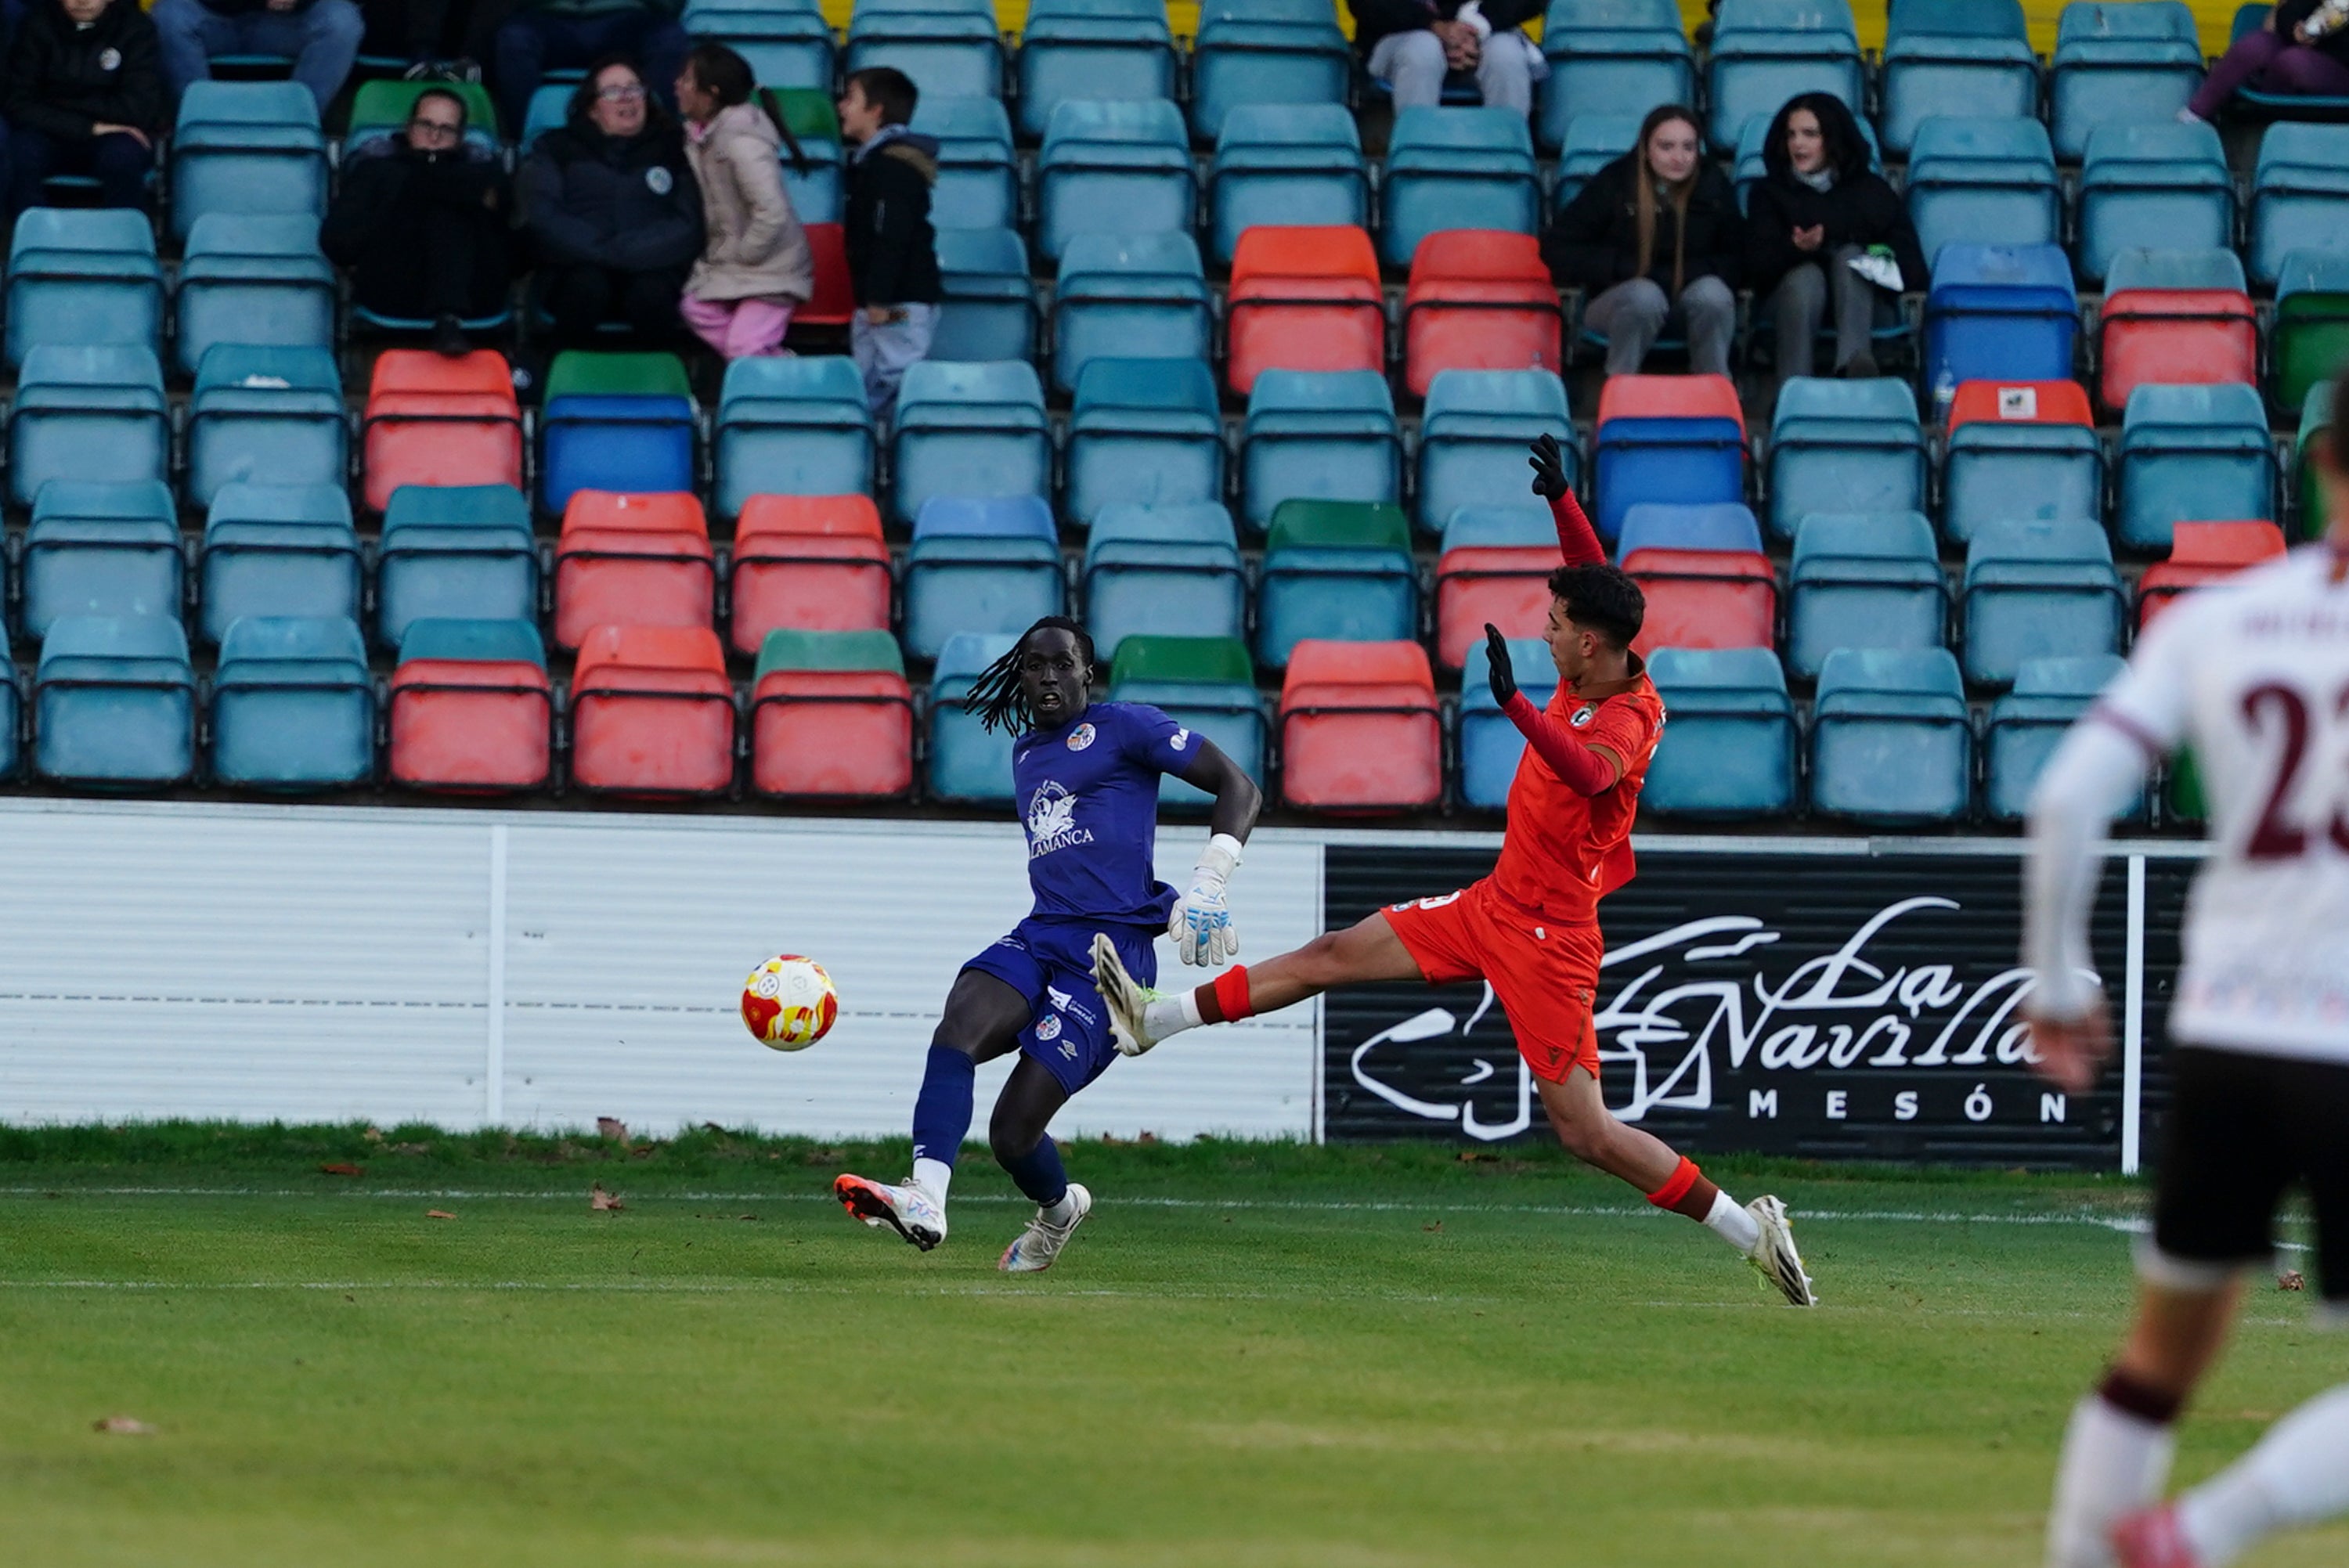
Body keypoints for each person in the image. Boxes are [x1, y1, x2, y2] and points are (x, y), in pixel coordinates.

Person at [1090, 436, 1817, 1310]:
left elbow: (1589, 773)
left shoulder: (1626, 719)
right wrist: (1562, 503)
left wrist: (1513, 705)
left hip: (1549, 938)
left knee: (1586, 1131)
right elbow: (1594, 579)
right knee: (1332, 951)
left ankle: (1752, 1228)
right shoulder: (1603, 647)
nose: (1543, 631)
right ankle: (1153, 1020)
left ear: (1589, 646)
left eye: (1554, 626)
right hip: (1494, 903)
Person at [2026, 364, 2349, 1568]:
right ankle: (2201, 1533)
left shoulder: (2221, 617)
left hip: (2224, 1035)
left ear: (2320, 464)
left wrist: (2058, 979)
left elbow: (2067, 797)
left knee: (2159, 1358)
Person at [833, 615, 1265, 1274]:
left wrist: (1208, 881)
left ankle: (1060, 1211)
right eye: (1035, 665)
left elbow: (1240, 786)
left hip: (1110, 959)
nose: (1047, 676)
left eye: (1062, 663)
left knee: (1012, 1133)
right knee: (958, 1029)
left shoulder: (1129, 726)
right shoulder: (1027, 751)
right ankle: (925, 1194)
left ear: (1087, 672)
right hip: (1041, 932)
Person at [1545, 103, 1741, 378]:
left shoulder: (1714, 186)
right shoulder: (1615, 182)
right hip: (1618, 303)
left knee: (1714, 295)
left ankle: (1715, 392)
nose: (1679, 157)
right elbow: (1559, 248)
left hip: (1687, 305)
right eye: (1666, 146)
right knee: (1644, 296)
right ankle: (1620, 391)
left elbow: (1741, 256)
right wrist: (1621, 268)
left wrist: (1691, 272)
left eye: (1688, 147)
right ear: (1646, 149)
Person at [1745, 92, 1926, 384]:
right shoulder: (1768, 193)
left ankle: (1853, 369)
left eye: (1810, 134)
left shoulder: (1871, 192)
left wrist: (1861, 252)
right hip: (1790, 306)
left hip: (1866, 308)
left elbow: (1913, 268)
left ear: (1832, 138)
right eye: (1791, 135)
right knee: (1805, 277)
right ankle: (1794, 388)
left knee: (1851, 258)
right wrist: (1796, 249)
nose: (1798, 144)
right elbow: (1752, 269)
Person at [518, 55, 700, 347]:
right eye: (613, 91)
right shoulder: (555, 147)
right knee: (587, 286)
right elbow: (544, 215)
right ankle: (564, 383)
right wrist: (604, 251)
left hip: (653, 267)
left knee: (650, 294)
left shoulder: (676, 147)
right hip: (577, 266)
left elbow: (688, 223)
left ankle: (661, 387)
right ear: (592, 108)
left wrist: (633, 253)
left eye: (634, 89)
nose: (626, 99)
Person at [321, 85, 512, 354]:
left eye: (446, 130)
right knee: (435, 202)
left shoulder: (484, 172)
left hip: (473, 295)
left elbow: (511, 243)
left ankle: (449, 316)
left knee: (447, 214)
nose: (434, 137)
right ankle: (447, 319)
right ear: (409, 127)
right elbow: (336, 241)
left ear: (459, 139)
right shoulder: (374, 169)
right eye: (426, 125)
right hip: (392, 286)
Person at [674, 41, 807, 361]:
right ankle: (770, 361)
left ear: (712, 93)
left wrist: (745, 253)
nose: (677, 85)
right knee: (694, 307)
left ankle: (781, 380)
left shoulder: (742, 141)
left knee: (743, 346)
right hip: (733, 266)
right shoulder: (699, 136)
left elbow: (772, 211)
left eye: (687, 80)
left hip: (772, 268)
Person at [838, 64, 939, 419]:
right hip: (878, 302)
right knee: (868, 388)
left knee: (895, 386)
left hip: (897, 302)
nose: (841, 106)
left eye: (851, 98)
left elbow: (889, 235)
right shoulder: (874, 164)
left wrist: (879, 297)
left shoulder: (891, 167)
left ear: (876, 110)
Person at [2, 0, 162, 219]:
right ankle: (33, 242)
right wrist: (90, 127)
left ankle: (124, 242)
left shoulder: (136, 29)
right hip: (50, 133)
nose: (82, 0)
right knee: (20, 154)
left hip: (113, 134)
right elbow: (19, 103)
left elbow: (139, 106)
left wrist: (56, 104)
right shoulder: (36, 25)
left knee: (123, 158)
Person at [491, 0, 684, 151]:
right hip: (549, 15)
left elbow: (671, 4)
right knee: (514, 39)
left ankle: (658, 143)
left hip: (626, 15)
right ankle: (521, 146)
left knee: (668, 38)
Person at [150, 0, 363, 117]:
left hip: (286, 24)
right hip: (213, 18)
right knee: (168, 16)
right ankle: (201, 126)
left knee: (341, 22)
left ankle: (296, 126)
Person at [1346, 0, 1546, 114]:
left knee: (1506, 55)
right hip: (1398, 35)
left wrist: (1475, 28)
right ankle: (1417, 164)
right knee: (1423, 50)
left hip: (1485, 31)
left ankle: (1506, 162)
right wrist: (1434, 26)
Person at [2183, 0, 2349, 121]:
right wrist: (2295, 28)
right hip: (2295, 50)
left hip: (2339, 70)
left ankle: (2266, 115)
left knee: (2292, 61)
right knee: (2255, 45)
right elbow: (2289, 13)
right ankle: (2195, 114)